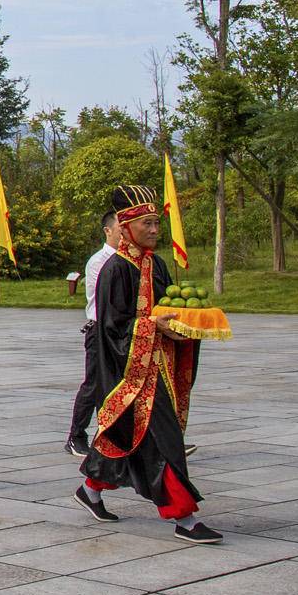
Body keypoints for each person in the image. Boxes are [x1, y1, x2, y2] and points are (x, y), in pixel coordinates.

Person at [77, 185, 219, 543]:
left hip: (161, 366)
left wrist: (185, 324)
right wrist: (150, 326)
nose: (155, 230)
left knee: (126, 435)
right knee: (163, 438)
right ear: (125, 227)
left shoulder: (155, 264)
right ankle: (183, 517)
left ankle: (91, 489)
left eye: (157, 223)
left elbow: (170, 308)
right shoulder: (115, 269)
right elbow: (113, 328)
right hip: (134, 370)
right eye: (147, 223)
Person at [66, 210, 121, 457]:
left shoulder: (138, 259)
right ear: (108, 230)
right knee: (94, 383)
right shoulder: (100, 261)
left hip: (125, 330)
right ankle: (76, 436)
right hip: (101, 329)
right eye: (122, 227)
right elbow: (109, 301)